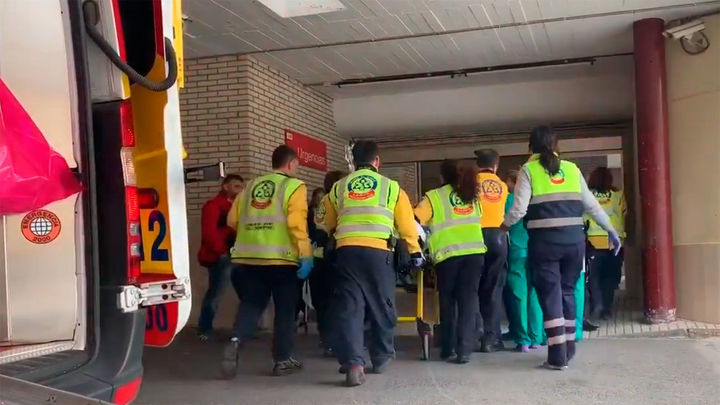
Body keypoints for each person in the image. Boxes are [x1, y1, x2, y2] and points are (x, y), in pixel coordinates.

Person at [502, 125, 620, 370]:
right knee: (567, 292)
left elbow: (519, 209)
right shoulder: (572, 169)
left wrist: (503, 226)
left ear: (530, 148)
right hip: (574, 243)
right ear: (557, 146)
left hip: (545, 244)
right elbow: (592, 206)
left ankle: (557, 357)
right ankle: (568, 348)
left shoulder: (529, 170)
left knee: (550, 295)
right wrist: (611, 230)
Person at [322, 140, 421, 386]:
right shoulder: (391, 187)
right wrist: (415, 250)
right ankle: (381, 356)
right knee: (382, 304)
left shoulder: (339, 187)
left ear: (354, 162)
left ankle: (354, 363)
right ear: (377, 161)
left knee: (350, 307)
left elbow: (325, 222)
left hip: (346, 252)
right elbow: (406, 224)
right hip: (379, 253)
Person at [221, 145, 314, 378]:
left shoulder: (250, 186)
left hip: (248, 258)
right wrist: (305, 254)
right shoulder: (294, 186)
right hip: (282, 260)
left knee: (252, 303)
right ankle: (282, 360)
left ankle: (236, 339)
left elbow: (231, 220)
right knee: (285, 310)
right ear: (292, 163)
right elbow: (296, 224)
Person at [414, 159, 486, 364]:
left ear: (442, 177)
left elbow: (415, 220)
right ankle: (465, 350)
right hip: (475, 253)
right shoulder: (471, 195)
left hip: (448, 256)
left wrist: (422, 244)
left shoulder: (434, 197)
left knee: (447, 301)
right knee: (468, 300)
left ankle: (448, 347)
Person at [196, 174, 244, 341]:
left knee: (246, 292)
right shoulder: (214, 206)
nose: (240, 190)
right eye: (236, 186)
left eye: (241, 187)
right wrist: (222, 251)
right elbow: (209, 232)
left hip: (236, 255)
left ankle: (244, 328)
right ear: (225, 187)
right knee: (216, 293)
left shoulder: (237, 207)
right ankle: (204, 328)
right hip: (221, 256)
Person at [502, 170, 545, 352]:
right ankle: (537, 337)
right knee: (535, 294)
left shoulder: (509, 200)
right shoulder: (537, 198)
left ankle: (523, 340)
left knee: (519, 295)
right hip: (537, 251)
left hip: (517, 251)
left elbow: (503, 224)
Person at [474, 148, 509, 352]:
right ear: (496, 166)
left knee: (473, 288)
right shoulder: (503, 186)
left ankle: (474, 333)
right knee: (494, 289)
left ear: (477, 166)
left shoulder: (471, 183)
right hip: (498, 237)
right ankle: (491, 338)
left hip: (475, 237)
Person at [308, 170, 346, 357]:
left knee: (322, 303)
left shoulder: (323, 203)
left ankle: (327, 342)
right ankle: (340, 340)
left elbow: (318, 232)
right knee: (338, 301)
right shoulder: (342, 202)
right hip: (336, 259)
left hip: (318, 259)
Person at [585, 167, 627, 321]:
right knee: (610, 277)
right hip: (614, 243)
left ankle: (597, 304)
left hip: (592, 242)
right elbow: (624, 214)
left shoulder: (587, 195)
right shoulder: (618, 195)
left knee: (593, 276)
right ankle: (606, 310)